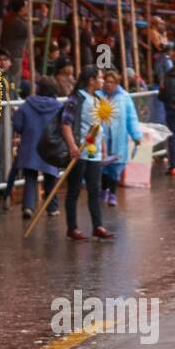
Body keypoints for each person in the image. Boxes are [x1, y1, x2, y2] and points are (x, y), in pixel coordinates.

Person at [59, 65, 113, 240]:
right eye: (100, 77)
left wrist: (103, 146)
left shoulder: (98, 99)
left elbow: (99, 127)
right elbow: (66, 123)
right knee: (74, 190)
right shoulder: (76, 99)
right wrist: (72, 146)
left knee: (95, 190)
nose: (102, 81)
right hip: (79, 151)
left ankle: (98, 226)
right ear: (91, 80)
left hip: (94, 153)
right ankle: (72, 227)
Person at [12, 76, 63, 219]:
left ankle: (28, 207)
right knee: (50, 177)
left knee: (30, 177)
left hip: (30, 146)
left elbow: (17, 124)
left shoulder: (27, 104)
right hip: (50, 147)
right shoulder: (58, 107)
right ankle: (52, 208)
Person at [96, 68, 143, 206]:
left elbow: (131, 118)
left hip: (119, 138)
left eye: (111, 82)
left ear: (116, 83)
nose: (108, 84)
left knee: (116, 168)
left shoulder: (124, 97)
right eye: (106, 81)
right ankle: (104, 190)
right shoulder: (98, 96)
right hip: (103, 138)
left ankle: (112, 194)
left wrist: (136, 135)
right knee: (103, 167)